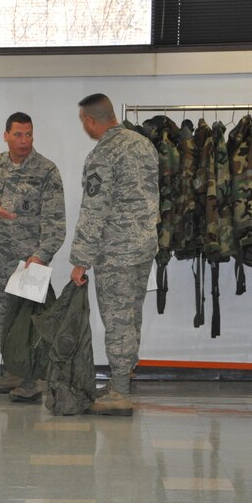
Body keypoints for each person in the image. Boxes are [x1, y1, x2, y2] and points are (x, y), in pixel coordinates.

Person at [0, 112, 65, 402]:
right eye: (18, 135)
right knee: (3, 319)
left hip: (30, 262)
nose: (24, 141)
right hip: (0, 258)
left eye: (29, 134)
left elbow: (56, 223)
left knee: (30, 323)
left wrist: (40, 256)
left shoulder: (47, 170)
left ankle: (32, 379)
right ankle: (11, 372)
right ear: (6, 135)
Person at [70, 93, 159, 417]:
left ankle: (120, 391)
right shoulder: (144, 145)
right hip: (143, 247)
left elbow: (94, 211)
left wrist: (81, 259)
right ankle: (122, 380)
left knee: (118, 320)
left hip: (117, 253)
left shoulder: (102, 154)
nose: (85, 127)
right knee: (131, 316)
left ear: (92, 120)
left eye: (84, 121)